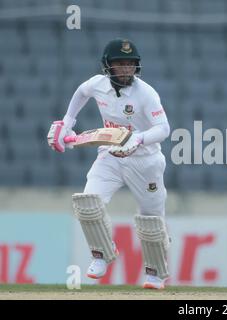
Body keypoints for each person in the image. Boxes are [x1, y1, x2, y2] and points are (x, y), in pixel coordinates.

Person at [47, 38, 171, 289]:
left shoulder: (146, 94)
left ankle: (155, 273)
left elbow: (164, 129)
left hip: (145, 162)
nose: (126, 69)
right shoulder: (97, 84)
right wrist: (68, 122)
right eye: (120, 64)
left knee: (151, 220)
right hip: (110, 155)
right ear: (108, 66)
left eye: (130, 64)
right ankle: (102, 254)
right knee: (88, 202)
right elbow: (81, 92)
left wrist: (139, 139)